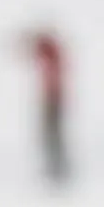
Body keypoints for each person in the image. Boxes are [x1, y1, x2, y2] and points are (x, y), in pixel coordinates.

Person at [19, 25, 70, 187]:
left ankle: (57, 167)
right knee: (50, 133)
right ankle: (55, 166)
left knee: (51, 132)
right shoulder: (52, 51)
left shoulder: (50, 51)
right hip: (53, 96)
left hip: (52, 97)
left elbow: (35, 53)